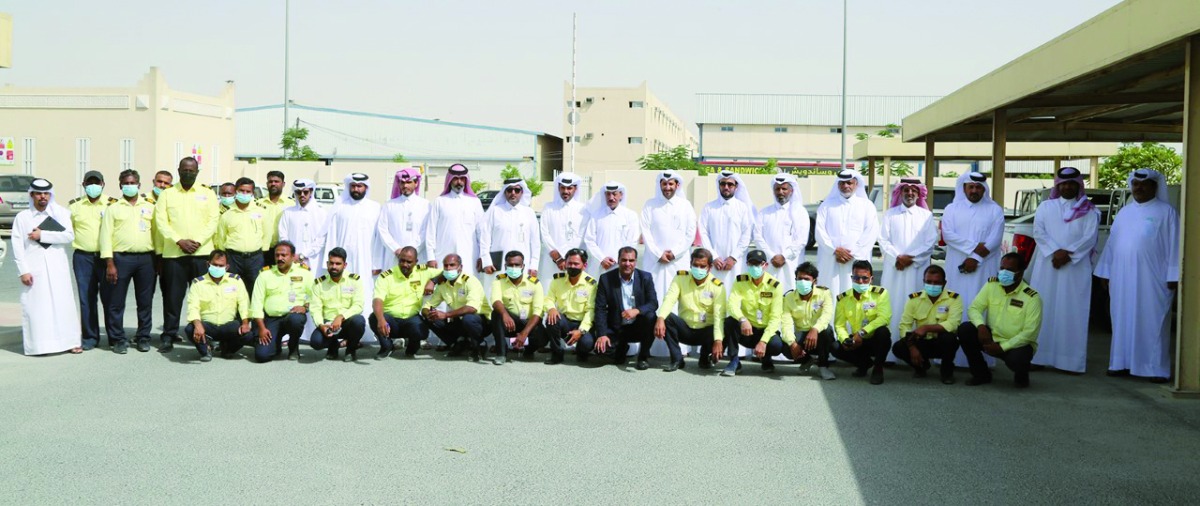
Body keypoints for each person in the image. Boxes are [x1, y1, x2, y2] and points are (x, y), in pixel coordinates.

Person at [1095, 168, 1179, 383]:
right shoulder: (1124, 212)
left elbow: (1176, 246)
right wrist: (1105, 271)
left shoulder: (1167, 212)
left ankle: (1155, 369)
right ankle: (1120, 363)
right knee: (1121, 319)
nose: (1138, 188)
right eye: (1135, 184)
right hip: (1122, 277)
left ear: (1154, 186)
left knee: (1153, 322)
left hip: (1153, 279)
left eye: (1144, 184)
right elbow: (1112, 244)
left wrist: (1174, 274)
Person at [1028, 167, 1100, 374]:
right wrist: (1055, 252)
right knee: (1043, 309)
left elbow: (1090, 237)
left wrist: (1067, 255)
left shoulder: (1089, 210)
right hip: (1047, 266)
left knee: (1072, 312)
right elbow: (1038, 232)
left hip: (1075, 269)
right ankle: (1038, 357)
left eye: (1071, 183)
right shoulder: (1045, 206)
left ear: (1079, 185)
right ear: (1057, 186)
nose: (1067, 187)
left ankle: (1070, 362)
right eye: (1063, 183)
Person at [154, 157, 220, 352]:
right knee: (172, 298)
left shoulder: (208, 193)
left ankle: (207, 335)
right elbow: (161, 221)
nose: (188, 173)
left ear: (197, 172)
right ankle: (169, 334)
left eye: (192, 170)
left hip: (202, 254)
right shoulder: (167, 194)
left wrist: (198, 241)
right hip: (175, 254)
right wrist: (178, 240)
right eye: (185, 170)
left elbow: (213, 220)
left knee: (205, 297)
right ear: (178, 171)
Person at [941, 171, 1004, 368]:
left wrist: (975, 258)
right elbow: (948, 235)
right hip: (956, 267)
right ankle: (949, 356)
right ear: (964, 188)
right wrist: (974, 248)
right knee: (954, 306)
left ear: (984, 189)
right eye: (971, 187)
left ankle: (981, 359)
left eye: (978, 187)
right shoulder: (952, 208)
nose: (974, 190)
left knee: (982, 306)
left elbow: (995, 239)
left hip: (984, 267)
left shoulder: (994, 210)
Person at [12, 178, 81, 355]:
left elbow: (69, 236)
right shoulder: (23, 217)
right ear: (32, 195)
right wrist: (23, 271)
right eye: (38, 193)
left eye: (46, 193)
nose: (42, 196)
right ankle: (40, 346)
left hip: (58, 267)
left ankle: (70, 342)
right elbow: (17, 246)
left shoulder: (61, 213)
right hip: (34, 268)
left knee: (63, 305)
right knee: (37, 307)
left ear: (50, 195)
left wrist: (42, 235)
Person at [958, 253, 1042, 388]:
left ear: (1020, 273)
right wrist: (981, 326)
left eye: (1010, 270)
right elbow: (974, 308)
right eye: (1002, 268)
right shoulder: (992, 285)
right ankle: (981, 374)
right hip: (991, 337)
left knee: (1019, 359)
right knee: (965, 329)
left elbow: (1029, 333)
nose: (1004, 273)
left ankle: (1022, 375)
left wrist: (1002, 347)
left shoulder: (1032, 297)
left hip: (1015, 344)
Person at [99, 169, 158, 353]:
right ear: (120, 185)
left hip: (146, 259)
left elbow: (157, 234)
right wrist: (109, 263)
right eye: (126, 183)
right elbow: (105, 237)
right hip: (121, 259)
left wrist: (158, 259)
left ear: (139, 185)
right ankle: (118, 339)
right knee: (116, 302)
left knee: (145, 301)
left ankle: (143, 337)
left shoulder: (150, 207)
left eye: (133, 183)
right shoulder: (113, 208)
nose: (130, 186)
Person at [878, 178, 939, 350]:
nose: (910, 193)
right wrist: (897, 257)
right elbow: (882, 240)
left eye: (913, 190)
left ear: (919, 194)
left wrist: (910, 258)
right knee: (893, 304)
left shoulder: (926, 216)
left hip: (917, 270)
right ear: (900, 193)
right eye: (906, 190)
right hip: (894, 269)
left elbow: (930, 242)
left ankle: (916, 349)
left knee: (917, 306)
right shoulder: (890, 214)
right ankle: (890, 351)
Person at [656, 248, 727, 372]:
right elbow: (669, 299)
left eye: (702, 266)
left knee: (726, 324)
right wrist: (660, 318)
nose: (698, 269)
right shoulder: (680, 278)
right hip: (686, 329)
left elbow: (719, 316)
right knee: (666, 317)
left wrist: (718, 340)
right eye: (695, 265)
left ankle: (705, 357)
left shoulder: (717, 286)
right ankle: (677, 359)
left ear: (710, 267)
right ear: (690, 264)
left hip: (706, 332)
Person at [323, 173, 383, 319]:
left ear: (366, 187)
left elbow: (379, 238)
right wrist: (330, 261)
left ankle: (366, 326)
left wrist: (377, 263)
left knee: (365, 290)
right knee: (343, 291)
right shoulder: (340, 207)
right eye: (353, 186)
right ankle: (341, 324)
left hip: (366, 258)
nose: (356, 189)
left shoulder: (375, 207)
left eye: (359, 186)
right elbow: (332, 234)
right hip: (343, 259)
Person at [69, 170, 116, 350]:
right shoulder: (75, 206)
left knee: (110, 298)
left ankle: (114, 337)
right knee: (86, 299)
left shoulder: (112, 204)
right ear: (84, 185)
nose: (93, 186)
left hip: (107, 258)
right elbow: (67, 230)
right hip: (83, 257)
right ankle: (90, 337)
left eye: (97, 183)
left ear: (103, 184)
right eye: (90, 183)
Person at [892, 265, 962, 385]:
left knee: (950, 338)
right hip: (922, 341)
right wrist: (912, 347)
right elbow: (904, 325)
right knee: (898, 347)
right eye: (929, 282)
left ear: (944, 283)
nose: (932, 285)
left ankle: (947, 372)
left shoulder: (954, 298)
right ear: (923, 281)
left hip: (941, 342)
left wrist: (926, 328)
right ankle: (921, 367)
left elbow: (953, 323)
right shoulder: (914, 299)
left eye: (937, 282)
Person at [815, 169, 879, 296]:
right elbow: (819, 231)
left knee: (855, 292)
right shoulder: (826, 205)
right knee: (830, 292)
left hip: (856, 259)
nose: (845, 186)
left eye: (849, 183)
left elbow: (871, 232)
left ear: (856, 184)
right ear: (838, 184)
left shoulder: (867, 206)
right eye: (842, 183)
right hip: (831, 259)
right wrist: (834, 250)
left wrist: (852, 253)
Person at [720, 249, 783, 377]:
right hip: (747, 330)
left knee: (776, 345)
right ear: (747, 264)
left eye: (758, 264)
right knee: (730, 322)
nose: (755, 267)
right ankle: (734, 360)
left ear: (765, 265)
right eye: (751, 264)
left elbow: (776, 317)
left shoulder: (774, 285)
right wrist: (742, 319)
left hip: (765, 330)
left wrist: (763, 341)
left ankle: (766, 358)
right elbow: (732, 304)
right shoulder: (740, 281)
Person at [594, 246, 659, 370]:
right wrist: (602, 334)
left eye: (631, 260)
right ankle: (621, 348)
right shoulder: (606, 279)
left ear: (636, 262)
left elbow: (653, 303)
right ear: (618, 260)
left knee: (651, 316)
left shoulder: (645, 277)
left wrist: (637, 310)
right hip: (617, 328)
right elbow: (600, 308)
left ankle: (643, 357)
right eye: (624, 260)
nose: (627, 264)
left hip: (638, 327)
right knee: (601, 351)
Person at [249, 241, 315, 362]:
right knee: (262, 356)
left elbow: (315, 296)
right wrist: (262, 328)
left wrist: (305, 307)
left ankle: (293, 345)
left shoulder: (304, 273)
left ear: (293, 256)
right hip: (271, 319)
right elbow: (256, 303)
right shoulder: (265, 275)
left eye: (284, 255)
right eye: (277, 255)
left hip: (292, 316)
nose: (280, 258)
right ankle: (276, 344)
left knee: (296, 320)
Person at [371, 246, 441, 359]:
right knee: (374, 318)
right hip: (391, 321)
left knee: (420, 330)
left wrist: (433, 281)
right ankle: (386, 346)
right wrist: (381, 319)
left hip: (411, 318)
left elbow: (446, 273)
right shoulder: (386, 276)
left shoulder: (423, 272)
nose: (404, 264)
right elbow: (377, 299)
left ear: (416, 262)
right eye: (402, 260)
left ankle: (411, 349)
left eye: (409, 262)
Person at [830, 260, 892, 385]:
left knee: (883, 332)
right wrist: (845, 340)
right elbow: (839, 325)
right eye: (856, 278)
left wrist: (862, 333)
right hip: (856, 342)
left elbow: (884, 318)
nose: (860, 281)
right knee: (835, 347)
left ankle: (878, 369)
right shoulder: (843, 298)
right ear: (852, 278)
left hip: (873, 339)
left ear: (871, 279)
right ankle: (864, 364)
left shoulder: (880, 294)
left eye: (865, 278)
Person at [183, 250, 251, 362]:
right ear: (208, 264)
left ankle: (227, 349)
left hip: (228, 325)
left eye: (221, 265)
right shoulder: (198, 283)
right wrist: (198, 325)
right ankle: (206, 349)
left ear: (227, 267)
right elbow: (193, 307)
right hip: (208, 326)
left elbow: (244, 303)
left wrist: (245, 323)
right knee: (190, 329)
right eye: (215, 265)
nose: (217, 268)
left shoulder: (235, 280)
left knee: (247, 334)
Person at [640, 170, 697, 302]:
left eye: (670, 184)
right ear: (659, 185)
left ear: (677, 185)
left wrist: (674, 253)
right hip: (655, 261)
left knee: (678, 297)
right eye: (664, 184)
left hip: (678, 260)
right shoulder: (650, 205)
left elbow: (690, 233)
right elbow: (645, 231)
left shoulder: (685, 205)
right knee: (654, 295)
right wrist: (658, 254)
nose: (667, 187)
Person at [423, 254, 491, 362]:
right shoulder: (442, 285)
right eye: (446, 266)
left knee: (468, 318)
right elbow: (427, 306)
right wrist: (429, 313)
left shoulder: (470, 281)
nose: (448, 268)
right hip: (458, 321)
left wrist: (445, 315)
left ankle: (479, 344)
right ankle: (457, 343)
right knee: (427, 317)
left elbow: (472, 308)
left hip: (480, 322)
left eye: (452, 265)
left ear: (460, 267)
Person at [699, 170, 755, 287]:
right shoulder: (709, 207)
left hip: (736, 263)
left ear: (736, 186)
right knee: (712, 293)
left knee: (735, 293)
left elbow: (747, 235)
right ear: (719, 185)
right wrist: (713, 257)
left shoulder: (743, 208)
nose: (726, 187)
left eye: (730, 184)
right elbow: (703, 233)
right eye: (723, 184)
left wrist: (733, 258)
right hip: (714, 264)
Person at [782, 262, 837, 380]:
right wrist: (792, 343)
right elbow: (786, 323)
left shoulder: (824, 293)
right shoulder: (788, 297)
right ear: (796, 279)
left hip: (819, 335)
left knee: (826, 330)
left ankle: (823, 366)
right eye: (800, 278)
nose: (802, 282)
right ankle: (807, 361)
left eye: (807, 279)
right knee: (785, 345)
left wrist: (815, 329)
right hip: (802, 334)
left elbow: (827, 315)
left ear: (814, 281)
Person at [488, 250, 545, 366]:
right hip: (510, 322)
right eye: (510, 265)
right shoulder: (499, 280)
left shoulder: (534, 283)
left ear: (523, 266)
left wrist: (524, 333)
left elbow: (538, 311)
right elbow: (495, 300)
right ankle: (501, 353)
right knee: (497, 313)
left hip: (528, 323)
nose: (513, 268)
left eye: (517, 265)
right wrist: (505, 315)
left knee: (543, 337)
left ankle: (528, 350)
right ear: (505, 266)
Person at [542, 248, 598, 365]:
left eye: (576, 264)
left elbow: (591, 310)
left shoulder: (591, 284)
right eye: (569, 263)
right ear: (565, 263)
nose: (572, 266)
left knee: (586, 344)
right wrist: (551, 308)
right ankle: (557, 353)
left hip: (582, 323)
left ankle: (581, 352)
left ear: (584, 265)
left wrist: (581, 331)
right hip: (565, 321)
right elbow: (548, 299)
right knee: (552, 320)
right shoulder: (558, 280)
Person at [311, 247, 368, 362]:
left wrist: (341, 316)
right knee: (316, 342)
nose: (334, 266)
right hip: (328, 324)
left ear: (345, 265)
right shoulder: (319, 284)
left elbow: (358, 305)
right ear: (327, 264)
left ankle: (351, 349)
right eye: (331, 263)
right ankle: (333, 346)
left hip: (347, 322)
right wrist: (321, 325)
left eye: (338, 264)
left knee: (359, 321)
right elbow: (315, 309)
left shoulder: (354, 280)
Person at [479, 177, 541, 281]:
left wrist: (534, 265)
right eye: (509, 190)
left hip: (522, 264)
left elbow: (535, 242)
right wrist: (486, 261)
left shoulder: (529, 213)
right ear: (504, 192)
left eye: (517, 190)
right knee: (496, 290)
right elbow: (485, 239)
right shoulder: (495, 211)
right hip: (497, 265)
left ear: (522, 192)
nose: (513, 193)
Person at [215, 177, 270, 293]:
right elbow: (221, 238)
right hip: (233, 258)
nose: (244, 194)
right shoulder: (227, 214)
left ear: (252, 193)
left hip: (255, 258)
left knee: (255, 289)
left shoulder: (261, 211)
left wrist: (263, 252)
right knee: (232, 289)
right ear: (236, 191)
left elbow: (267, 233)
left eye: (248, 191)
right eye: (241, 191)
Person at [426, 163, 484, 272]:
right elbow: (431, 231)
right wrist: (430, 257)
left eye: (462, 179)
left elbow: (481, 231)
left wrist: (483, 255)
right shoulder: (440, 201)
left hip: (469, 256)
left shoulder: (474, 202)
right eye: (455, 179)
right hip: (443, 254)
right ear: (450, 180)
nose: (459, 182)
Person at [756, 174, 809, 292]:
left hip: (791, 263)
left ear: (791, 190)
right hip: (769, 263)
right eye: (777, 189)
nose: (780, 192)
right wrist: (771, 256)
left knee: (790, 294)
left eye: (784, 189)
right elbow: (758, 237)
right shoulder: (764, 212)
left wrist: (784, 256)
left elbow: (801, 240)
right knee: (768, 294)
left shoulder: (800, 212)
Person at [583, 181, 640, 277]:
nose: (611, 197)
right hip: (600, 266)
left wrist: (619, 260)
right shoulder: (596, 215)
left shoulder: (630, 216)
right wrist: (602, 258)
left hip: (622, 266)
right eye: (608, 194)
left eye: (614, 194)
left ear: (621, 195)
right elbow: (589, 240)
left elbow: (632, 241)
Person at [538, 172, 587, 281]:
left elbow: (582, 236)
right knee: (549, 288)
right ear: (558, 188)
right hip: (551, 261)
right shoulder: (549, 208)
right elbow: (544, 233)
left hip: (574, 262)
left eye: (569, 188)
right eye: (563, 188)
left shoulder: (583, 209)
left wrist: (571, 257)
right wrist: (558, 258)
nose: (565, 191)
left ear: (575, 189)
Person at [377, 168, 430, 269]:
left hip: (418, 256)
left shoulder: (425, 205)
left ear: (416, 183)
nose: (405, 186)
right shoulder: (389, 205)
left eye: (409, 182)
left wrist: (412, 250)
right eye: (402, 182)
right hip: (394, 256)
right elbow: (382, 230)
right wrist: (396, 249)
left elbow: (426, 231)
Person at [278, 179, 328, 270]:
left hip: (314, 260)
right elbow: (283, 236)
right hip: (293, 260)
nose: (302, 195)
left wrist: (303, 255)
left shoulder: (321, 213)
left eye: (305, 192)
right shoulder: (288, 212)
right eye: (298, 192)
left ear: (311, 192)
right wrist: (292, 255)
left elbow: (321, 240)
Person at [257, 170, 293, 265]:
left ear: (283, 184)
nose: (273, 184)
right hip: (262, 250)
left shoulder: (291, 204)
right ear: (267, 184)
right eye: (270, 181)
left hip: (283, 250)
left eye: (276, 181)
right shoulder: (258, 204)